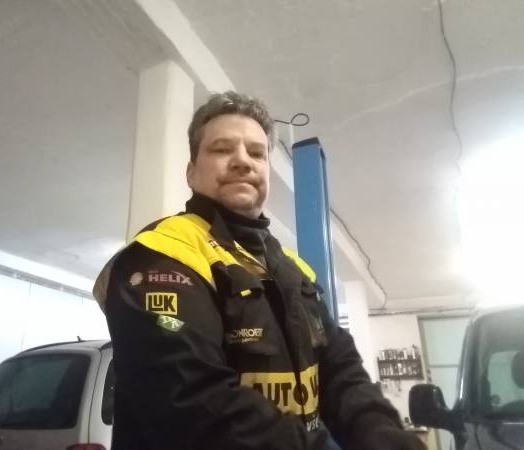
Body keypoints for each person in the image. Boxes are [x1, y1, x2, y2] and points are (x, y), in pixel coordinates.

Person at [93, 91, 426, 450]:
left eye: (256, 153)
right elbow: (191, 402)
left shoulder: (295, 270)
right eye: (222, 149)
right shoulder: (162, 255)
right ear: (191, 172)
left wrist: (384, 436)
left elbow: (340, 370)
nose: (242, 161)